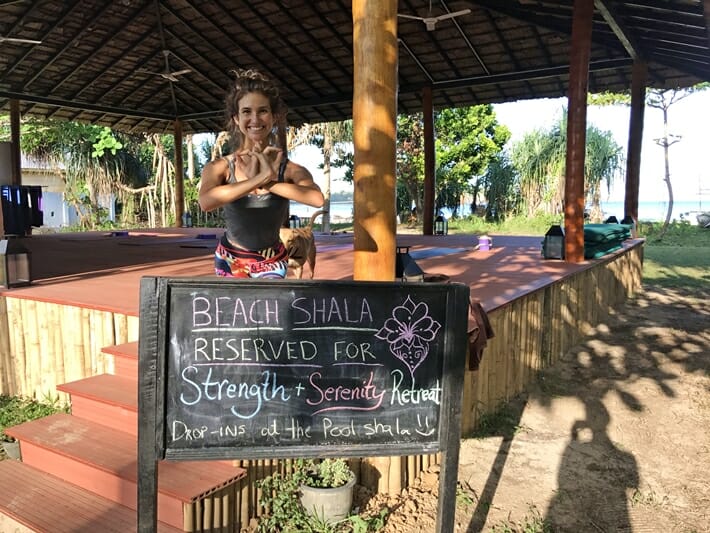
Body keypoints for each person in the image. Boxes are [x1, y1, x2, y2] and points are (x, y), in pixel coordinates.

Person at [199, 69, 324, 278]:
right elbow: (206, 201)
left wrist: (268, 183)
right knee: (234, 311)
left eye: (263, 111)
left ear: (274, 117)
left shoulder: (290, 169)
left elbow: (317, 199)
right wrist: (256, 179)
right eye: (246, 111)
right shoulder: (220, 167)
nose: (255, 119)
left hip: (271, 259)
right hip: (230, 259)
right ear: (236, 119)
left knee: (269, 310)